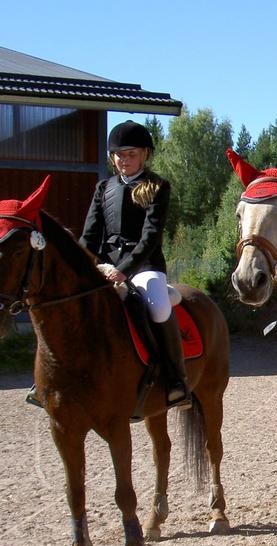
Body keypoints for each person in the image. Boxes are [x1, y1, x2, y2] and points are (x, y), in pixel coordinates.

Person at [77, 120, 191, 411]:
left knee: (159, 306)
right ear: (111, 157)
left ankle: (176, 379)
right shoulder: (104, 188)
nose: (124, 160)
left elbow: (150, 237)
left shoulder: (157, 187)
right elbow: (90, 235)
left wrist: (124, 269)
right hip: (105, 265)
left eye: (131, 154)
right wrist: (81, 263)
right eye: (119, 154)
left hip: (144, 266)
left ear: (145, 155)